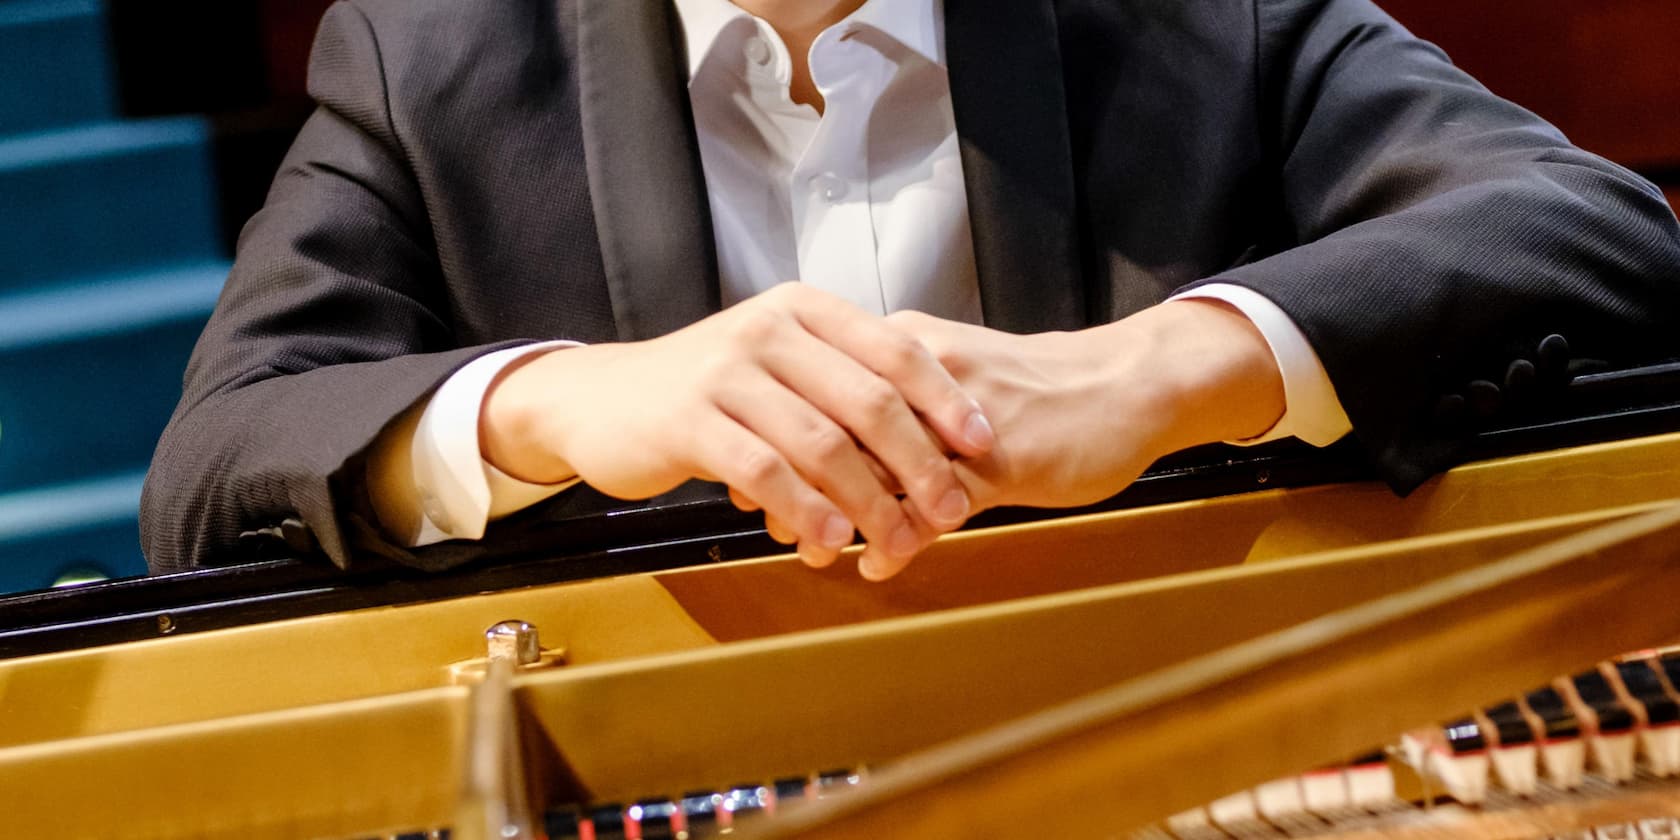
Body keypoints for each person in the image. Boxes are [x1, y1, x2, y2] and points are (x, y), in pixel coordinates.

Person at [140, 0, 1680, 580]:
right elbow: (216, 469)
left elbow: (1596, 229)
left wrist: (1153, 370)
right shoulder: (431, 49)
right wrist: (569, 400)